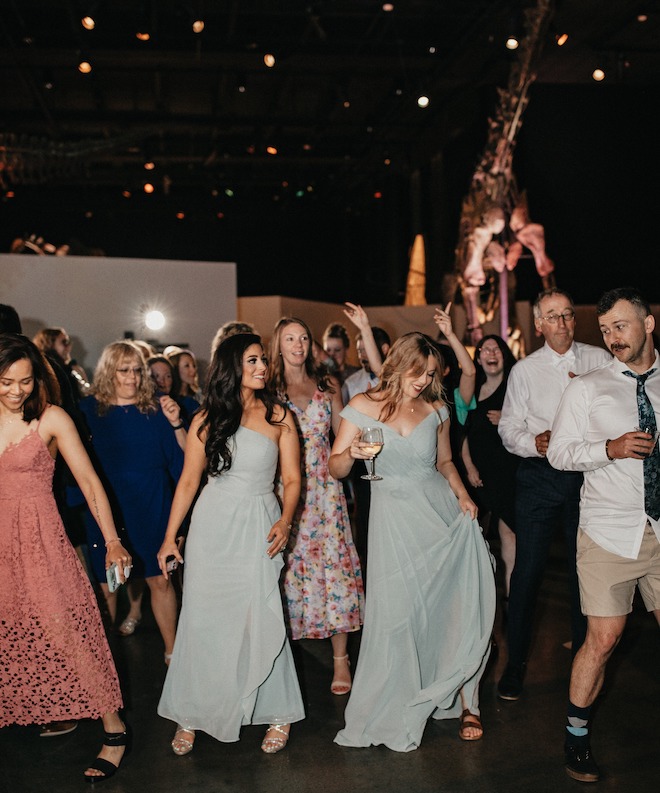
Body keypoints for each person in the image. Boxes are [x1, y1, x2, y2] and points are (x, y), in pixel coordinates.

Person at [329, 332, 496, 751]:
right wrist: (354, 454)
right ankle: (399, 695)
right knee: (399, 613)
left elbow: (444, 461)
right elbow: (335, 466)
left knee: (457, 607)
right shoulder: (362, 405)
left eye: (430, 374)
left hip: (437, 512)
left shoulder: (437, 408)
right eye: (417, 371)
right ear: (398, 362)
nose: (423, 380)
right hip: (392, 520)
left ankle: (467, 699)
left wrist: (462, 496)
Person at [157, 333, 305, 755]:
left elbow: (292, 479)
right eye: (253, 360)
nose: (262, 367)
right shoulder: (207, 417)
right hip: (212, 524)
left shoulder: (280, 416)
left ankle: (278, 711)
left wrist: (285, 518)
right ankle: (192, 711)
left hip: (259, 522)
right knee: (203, 616)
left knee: (259, 613)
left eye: (263, 360)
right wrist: (169, 536)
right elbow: (188, 481)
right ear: (231, 367)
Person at [0, 333, 130, 782]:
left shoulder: (51, 418)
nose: (17, 391)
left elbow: (91, 484)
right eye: (5, 382)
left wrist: (112, 540)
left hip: (39, 538)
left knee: (69, 631)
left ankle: (114, 731)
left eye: (25, 381)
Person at [547, 287, 660, 783]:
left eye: (622, 325)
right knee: (604, 638)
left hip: (659, 529)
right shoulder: (587, 388)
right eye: (607, 328)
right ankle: (575, 738)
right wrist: (608, 449)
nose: (613, 337)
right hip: (609, 532)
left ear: (648, 324)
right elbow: (559, 453)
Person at [497, 288, 611, 701]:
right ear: (538, 324)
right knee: (527, 573)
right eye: (553, 316)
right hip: (539, 478)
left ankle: (587, 665)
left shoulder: (600, 360)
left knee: (587, 574)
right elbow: (508, 429)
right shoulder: (524, 371)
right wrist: (534, 441)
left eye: (567, 315)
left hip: (588, 477)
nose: (562, 323)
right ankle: (515, 665)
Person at [268, 317, 364, 695]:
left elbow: (343, 434)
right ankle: (285, 653)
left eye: (304, 337)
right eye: (290, 338)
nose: (298, 344)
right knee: (288, 569)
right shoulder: (267, 389)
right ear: (277, 344)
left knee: (335, 567)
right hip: (283, 488)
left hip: (326, 489)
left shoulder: (327, 383)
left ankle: (341, 659)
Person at [79, 341, 184, 660]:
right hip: (107, 506)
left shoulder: (157, 409)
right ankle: (106, 660)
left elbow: (182, 464)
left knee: (160, 580)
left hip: (152, 504)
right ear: (109, 371)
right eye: (124, 370)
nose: (132, 377)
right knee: (106, 584)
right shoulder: (87, 411)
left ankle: (172, 652)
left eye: (137, 370)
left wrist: (177, 423)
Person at [461, 335, 519, 598]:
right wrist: (469, 466)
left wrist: (508, 419)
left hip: (507, 472)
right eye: (485, 349)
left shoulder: (515, 387)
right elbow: (461, 433)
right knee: (474, 533)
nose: (491, 353)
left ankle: (510, 595)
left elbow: (537, 421)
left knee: (509, 533)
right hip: (477, 474)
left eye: (496, 349)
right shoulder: (472, 389)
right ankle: (478, 595)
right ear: (479, 357)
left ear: (504, 355)